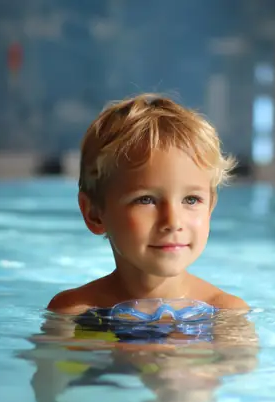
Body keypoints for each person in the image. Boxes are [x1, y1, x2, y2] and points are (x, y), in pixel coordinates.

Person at [48, 93, 249, 315]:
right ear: (94, 213)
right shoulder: (75, 312)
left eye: (191, 199)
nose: (173, 222)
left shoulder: (225, 313)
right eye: (146, 200)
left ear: (210, 208)